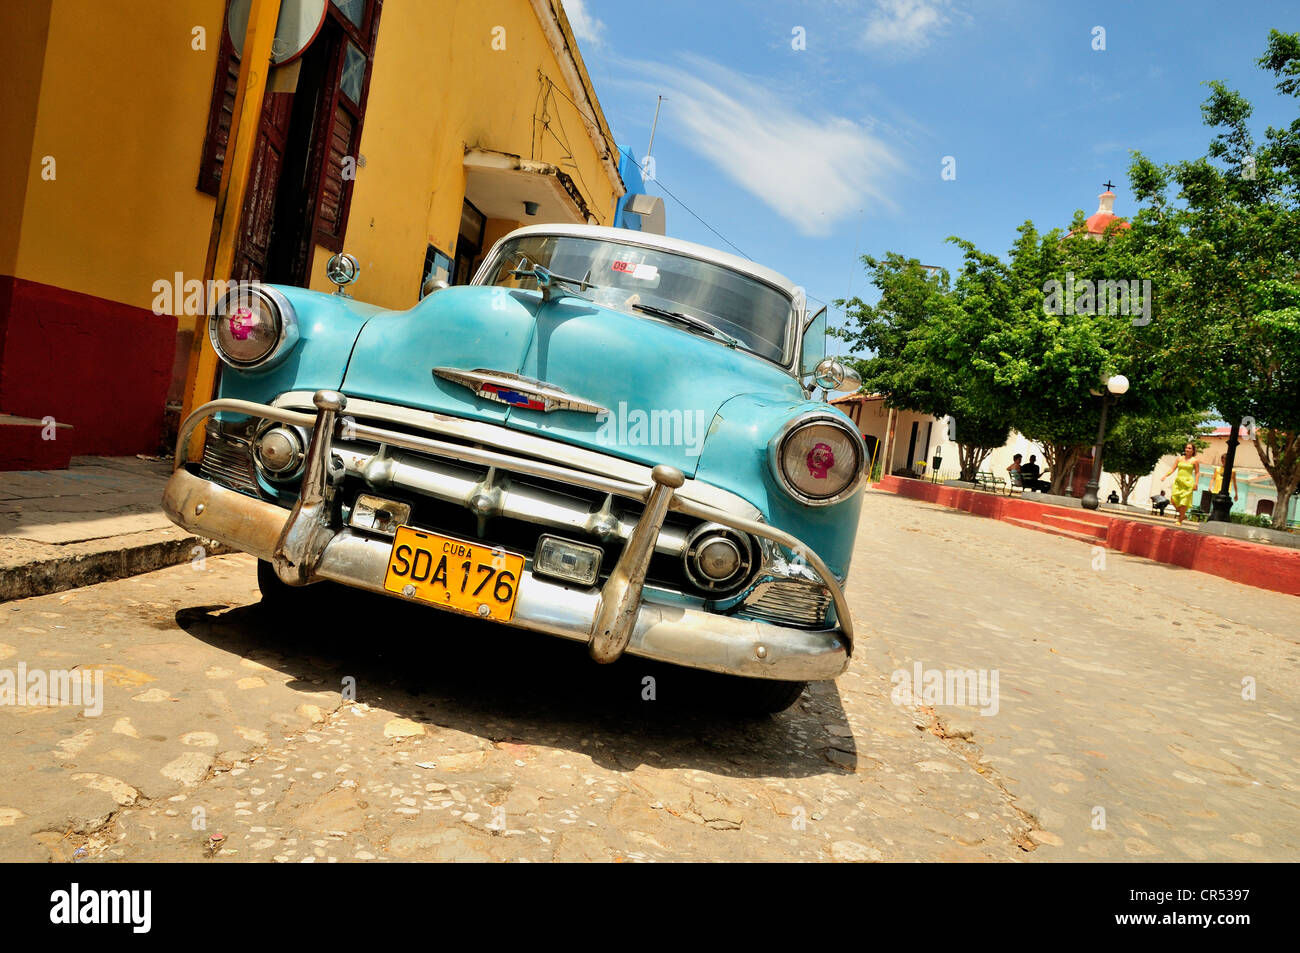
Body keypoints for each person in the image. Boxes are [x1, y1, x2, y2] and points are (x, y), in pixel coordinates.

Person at [1161, 442, 1200, 525]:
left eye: (1189, 448)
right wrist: (1166, 475)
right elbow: (1173, 468)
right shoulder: (1179, 459)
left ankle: (1179, 520)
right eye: (1186, 448)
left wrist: (1196, 483)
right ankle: (1182, 514)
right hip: (1178, 482)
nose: (1187, 449)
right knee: (1173, 499)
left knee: (1184, 502)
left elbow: (1197, 473)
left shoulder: (1195, 461)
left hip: (1188, 483)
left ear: (1193, 450)